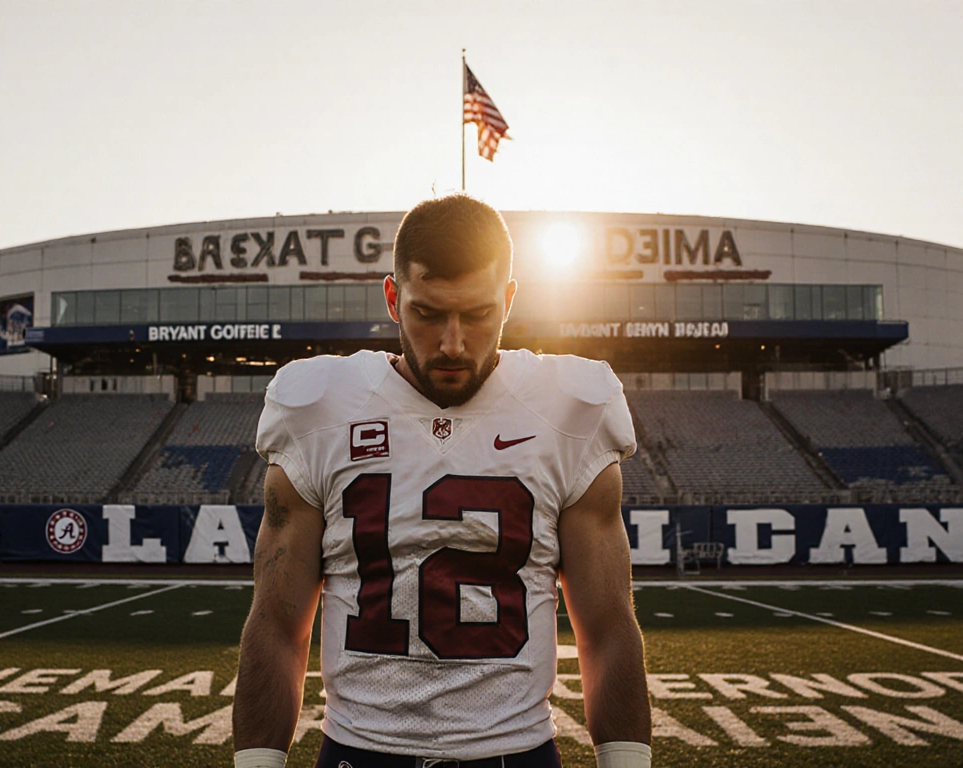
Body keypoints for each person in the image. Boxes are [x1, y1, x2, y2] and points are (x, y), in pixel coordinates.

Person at [233, 195, 651, 768]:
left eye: (477, 314)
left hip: (515, 752)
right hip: (359, 750)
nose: (452, 343)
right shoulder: (320, 408)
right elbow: (278, 625)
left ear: (508, 301)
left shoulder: (568, 409)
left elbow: (606, 626)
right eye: (427, 314)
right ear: (393, 298)